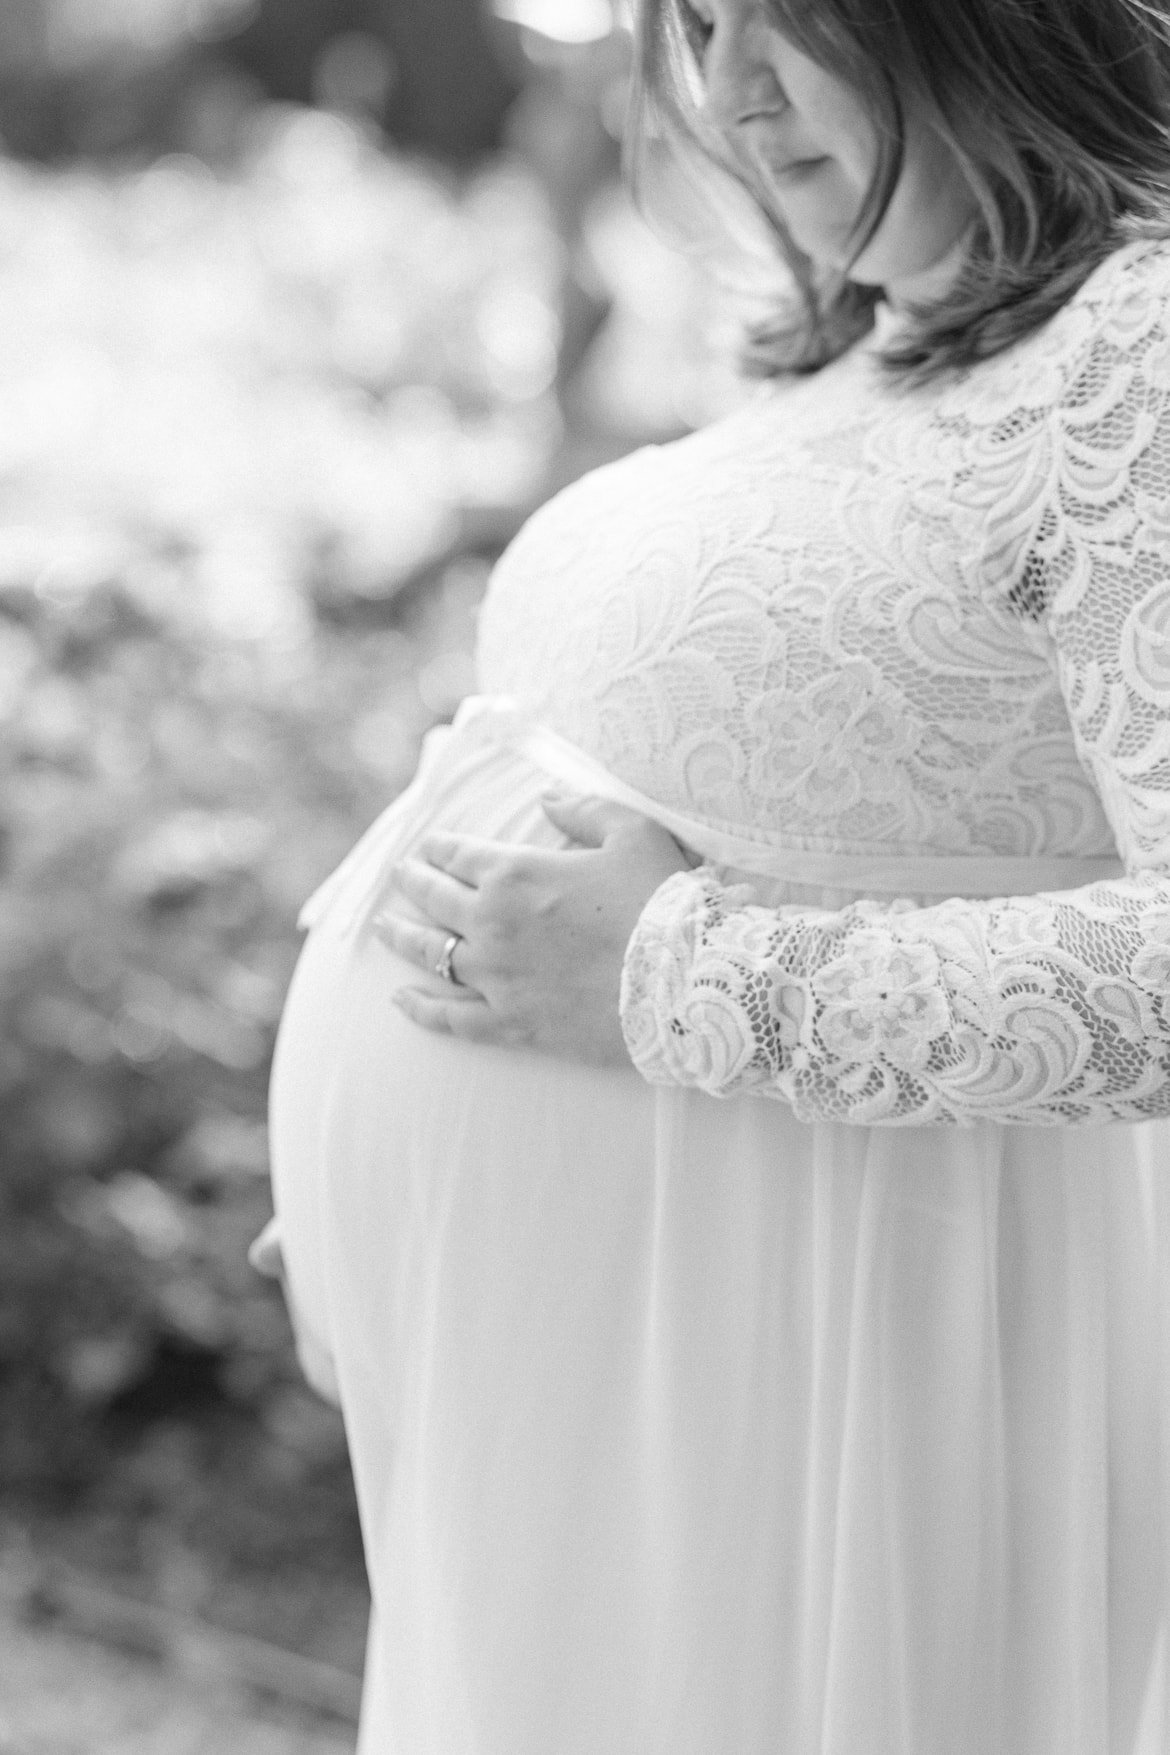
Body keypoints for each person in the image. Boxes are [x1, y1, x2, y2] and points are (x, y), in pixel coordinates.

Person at [264, 1, 1170, 1748]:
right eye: (696, 21)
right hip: (593, 1364)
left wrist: (671, 976)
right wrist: (384, 1199)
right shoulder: (844, 351)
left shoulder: (1141, 350)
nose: (728, 89)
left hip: (831, 1362)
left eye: (792, 18)